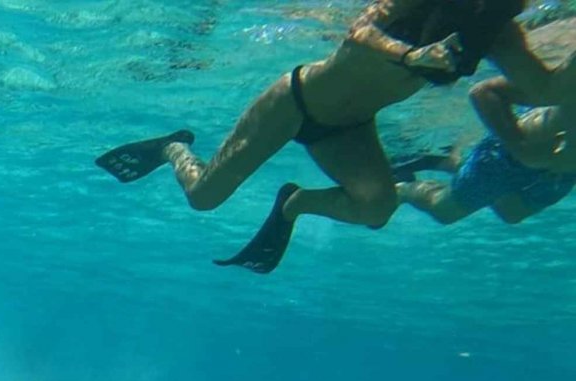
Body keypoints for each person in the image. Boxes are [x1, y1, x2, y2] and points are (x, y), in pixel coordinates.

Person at [96, 0, 570, 274]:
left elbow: (544, 88)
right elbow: (360, 31)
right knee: (203, 197)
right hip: (296, 100)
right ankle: (171, 147)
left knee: (378, 208)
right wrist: (409, 56)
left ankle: (294, 204)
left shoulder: (501, 31)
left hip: (351, 128)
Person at [394, 108, 575, 224]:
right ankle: (404, 189)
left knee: (512, 214)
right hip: (511, 157)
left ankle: (453, 161)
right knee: (445, 211)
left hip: (561, 172)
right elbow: (483, 93)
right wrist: (517, 148)